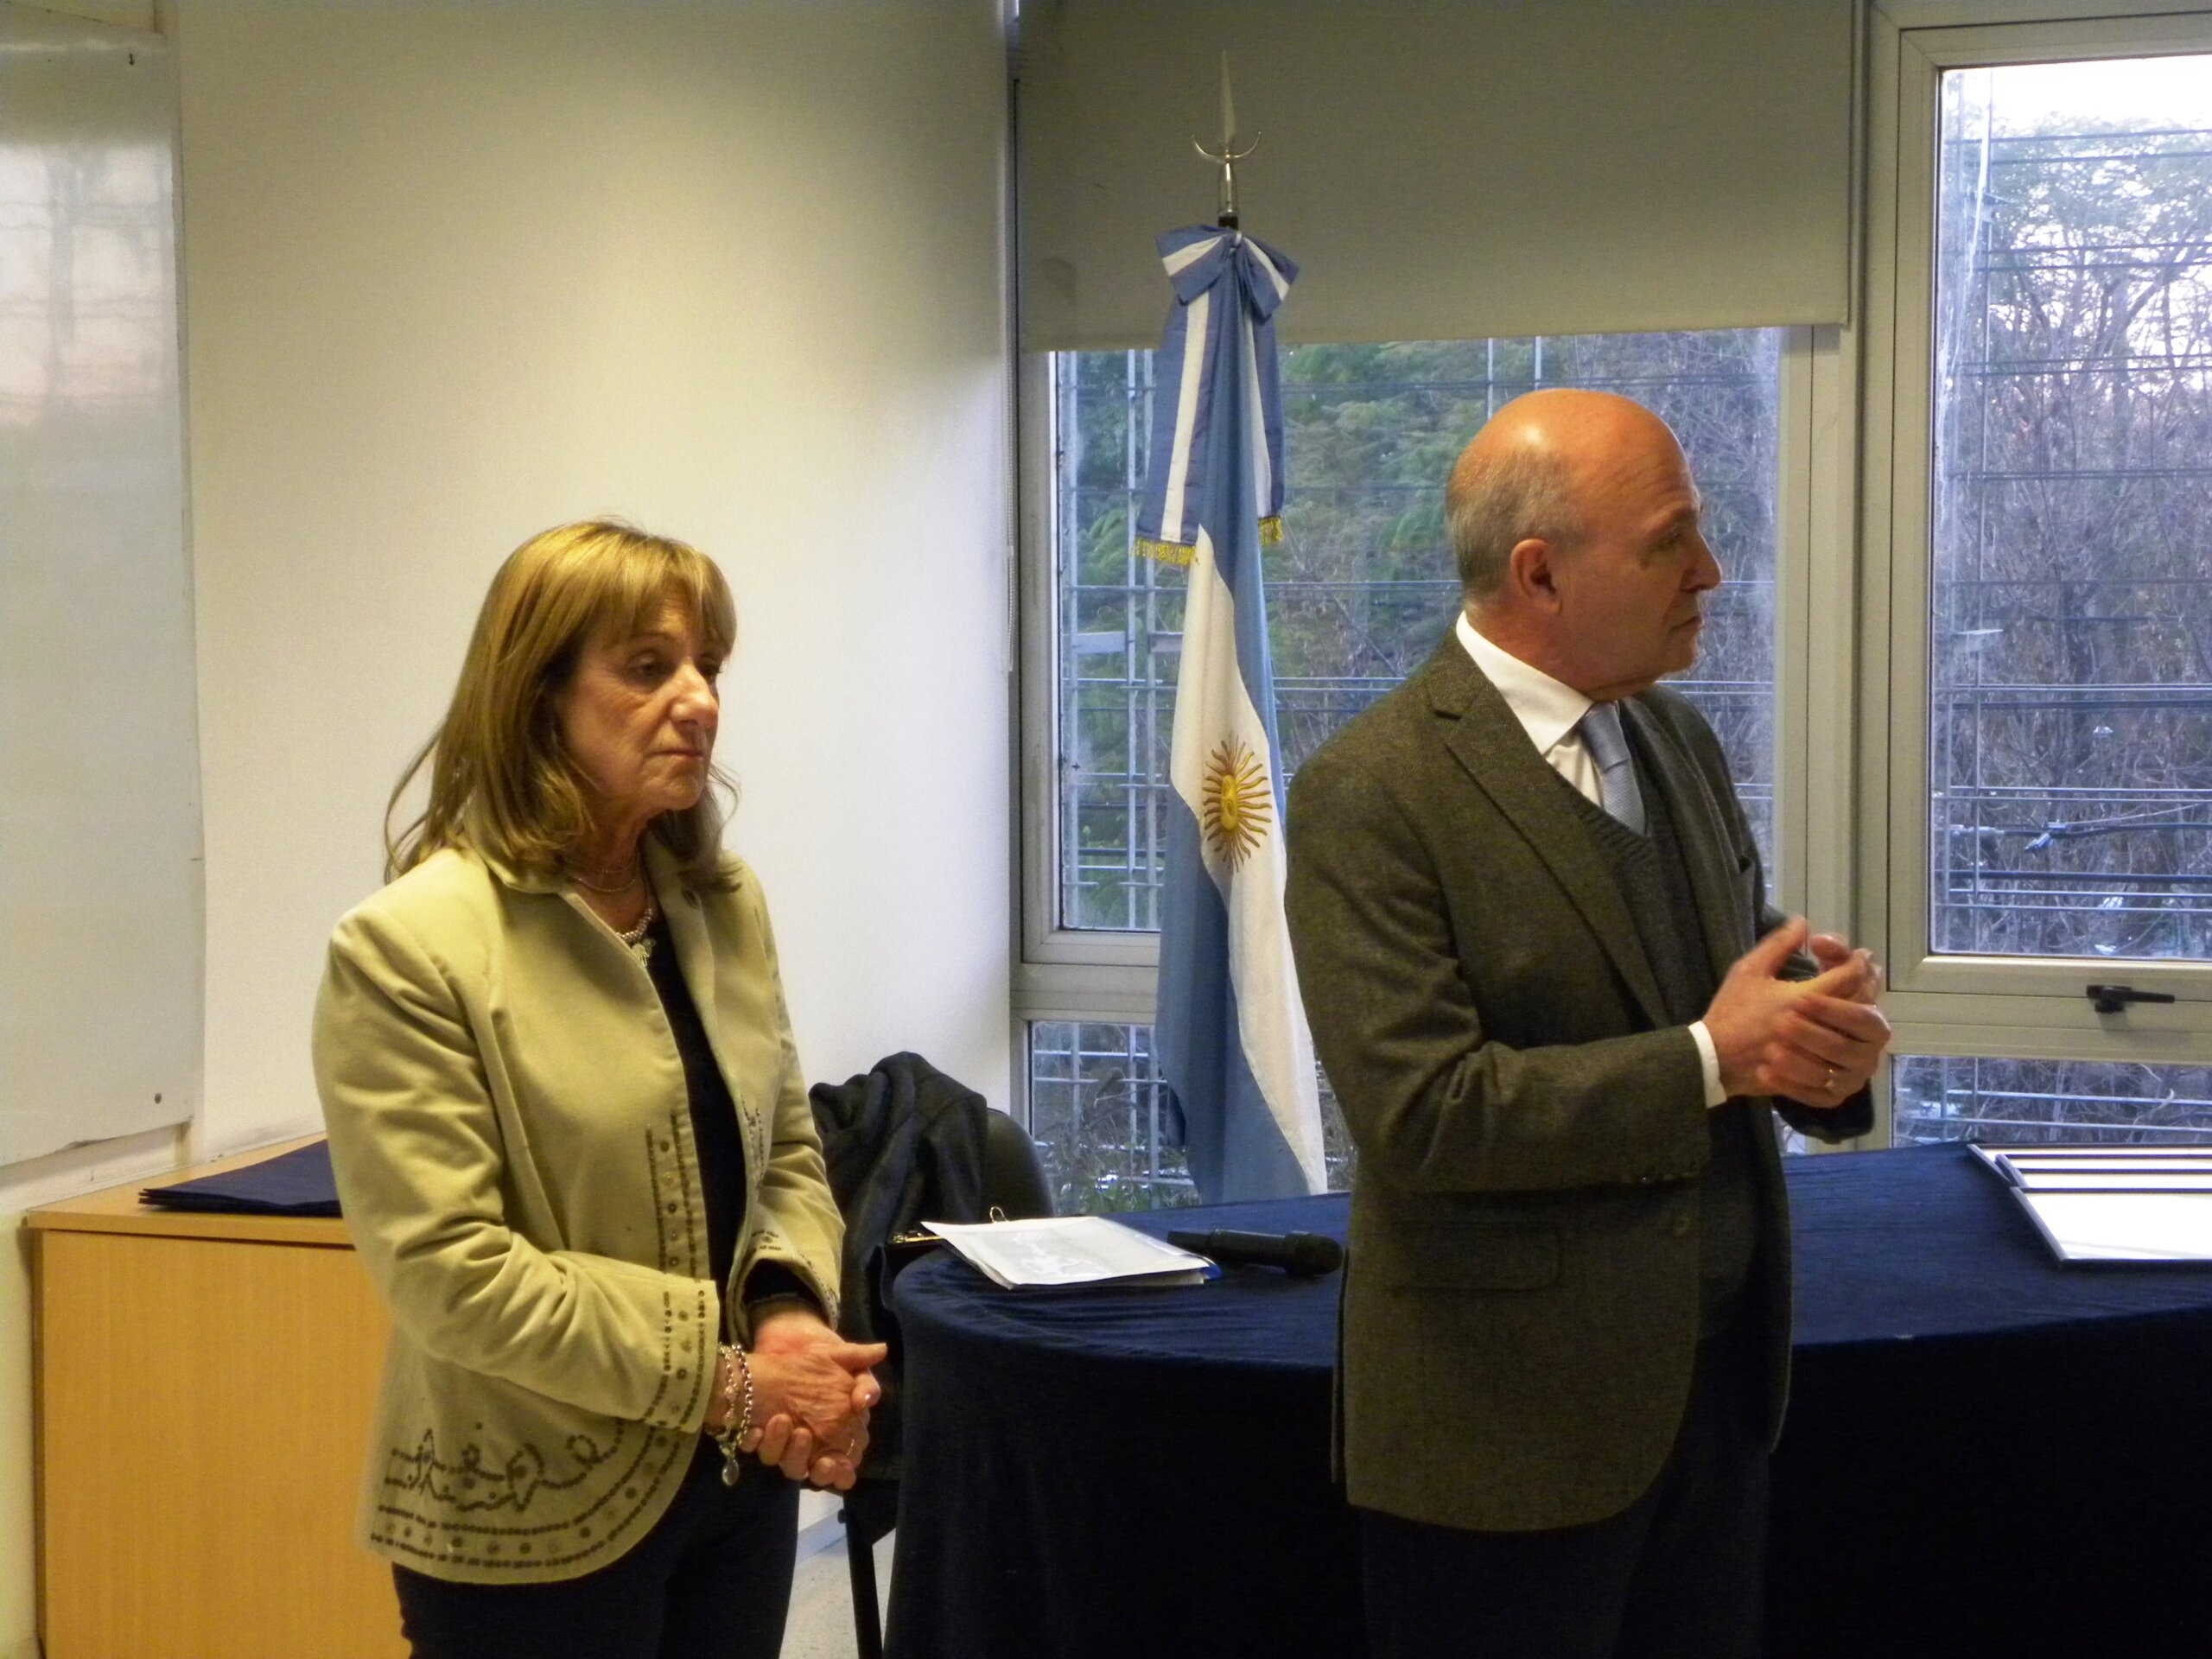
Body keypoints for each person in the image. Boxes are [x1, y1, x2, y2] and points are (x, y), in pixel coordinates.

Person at [1283, 391, 1892, 1659]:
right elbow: (1426, 1116)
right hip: (1501, 1445)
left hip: (1713, 1410)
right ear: (1540, 574)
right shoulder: (1372, 791)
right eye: (1671, 541)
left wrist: (1815, 1047)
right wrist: (1714, 1059)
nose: (1709, 572)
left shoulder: (1675, 736)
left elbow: (1726, 976)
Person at [313, 520, 883, 1659]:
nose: (698, 700)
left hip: (734, 1487)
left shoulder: (722, 902)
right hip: (527, 1509)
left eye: (706, 666)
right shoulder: (409, 946)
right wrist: (733, 1381)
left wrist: (788, 1320)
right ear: (540, 696)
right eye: (647, 668)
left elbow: (785, 1153)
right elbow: (449, 1273)